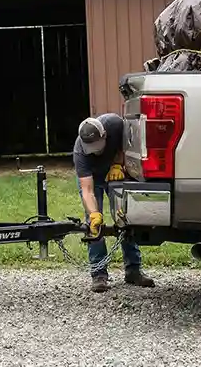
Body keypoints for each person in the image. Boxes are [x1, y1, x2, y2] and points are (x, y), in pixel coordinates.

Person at [73, 113, 155, 293]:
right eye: (90, 148)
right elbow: (87, 190)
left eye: (97, 146)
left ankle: (133, 270)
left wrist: (117, 163)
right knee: (93, 224)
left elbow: (128, 145)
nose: (94, 151)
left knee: (126, 216)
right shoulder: (80, 152)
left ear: (104, 135)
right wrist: (94, 214)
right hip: (93, 178)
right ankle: (98, 274)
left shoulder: (115, 124)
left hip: (114, 172)